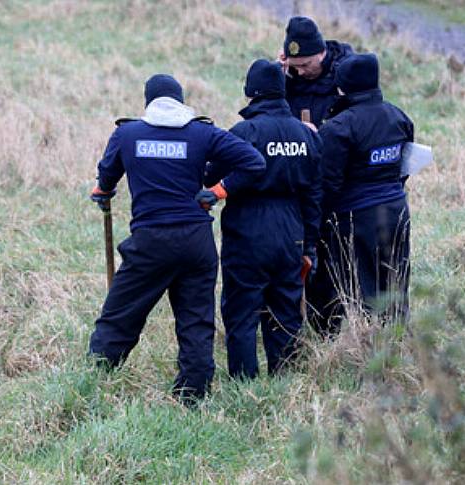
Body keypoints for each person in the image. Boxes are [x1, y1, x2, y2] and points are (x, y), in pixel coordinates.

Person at [87, 74, 265, 404]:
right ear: (181, 101)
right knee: (196, 321)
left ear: (148, 102)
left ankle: (93, 380)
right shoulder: (202, 132)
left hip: (150, 242)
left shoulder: (127, 134)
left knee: (120, 315)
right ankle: (192, 395)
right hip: (197, 243)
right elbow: (253, 162)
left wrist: (103, 190)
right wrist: (218, 191)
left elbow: (107, 175)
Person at [198, 59, 322, 379]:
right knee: (285, 310)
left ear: (251, 93)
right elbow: (314, 195)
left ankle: (244, 383)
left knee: (241, 311)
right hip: (291, 230)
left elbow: (212, 175)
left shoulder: (244, 132)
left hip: (247, 230)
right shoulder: (306, 135)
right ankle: (285, 380)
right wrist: (309, 246)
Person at [308, 53, 414, 336]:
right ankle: (398, 337)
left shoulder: (339, 127)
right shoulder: (399, 116)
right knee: (395, 277)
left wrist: (316, 223)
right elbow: (405, 165)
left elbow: (328, 184)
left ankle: (368, 346)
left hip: (357, 217)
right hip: (396, 210)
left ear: (343, 86)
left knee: (360, 283)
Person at [278, 16, 354, 129]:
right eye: (295, 66)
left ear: (322, 53)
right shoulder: (287, 76)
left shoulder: (350, 76)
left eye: (305, 65)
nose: (300, 72)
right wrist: (276, 77)